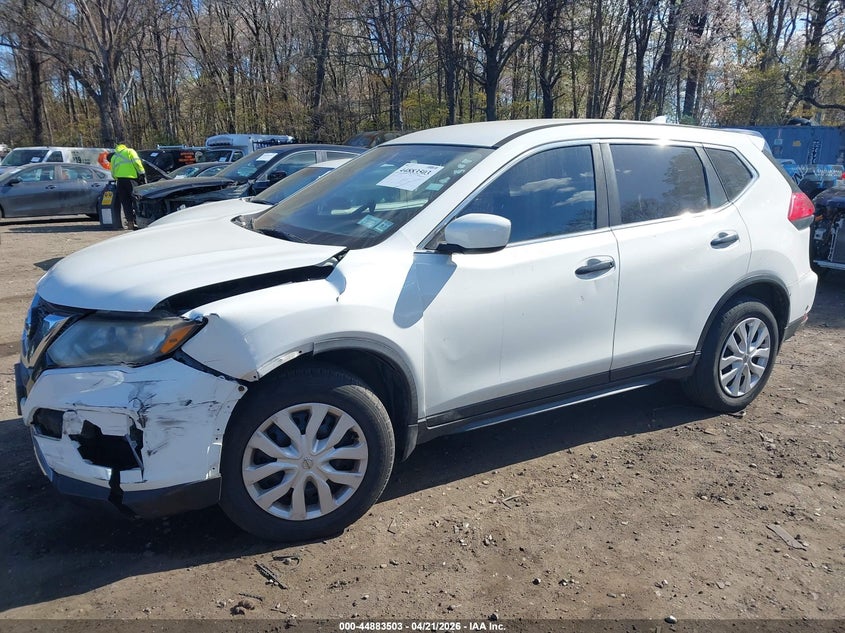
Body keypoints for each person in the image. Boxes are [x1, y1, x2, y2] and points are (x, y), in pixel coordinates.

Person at [109, 139, 146, 229]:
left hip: (120, 182)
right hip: (131, 180)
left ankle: (130, 223)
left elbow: (113, 172)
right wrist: (142, 173)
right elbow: (137, 162)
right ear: (125, 146)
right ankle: (140, 221)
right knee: (136, 200)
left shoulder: (114, 157)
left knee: (125, 202)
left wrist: (117, 177)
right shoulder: (130, 151)